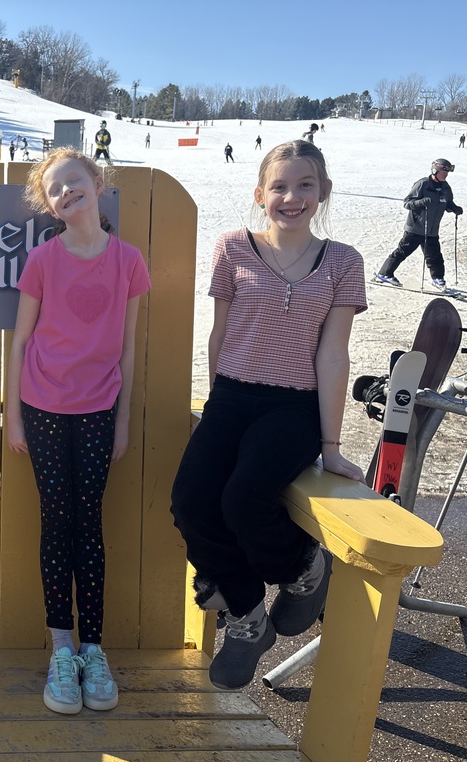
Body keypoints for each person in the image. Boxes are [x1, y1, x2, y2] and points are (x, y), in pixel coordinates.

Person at [170, 139, 367, 690]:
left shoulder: (343, 263)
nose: (291, 197)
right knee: (189, 503)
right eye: (279, 186)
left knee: (244, 500)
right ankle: (248, 616)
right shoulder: (233, 247)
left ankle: (302, 570)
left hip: (293, 407)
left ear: (323, 192)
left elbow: (333, 356)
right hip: (231, 397)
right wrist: (217, 412)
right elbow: (219, 334)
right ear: (260, 194)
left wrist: (330, 446)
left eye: (305, 185)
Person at [7, 148, 151, 715]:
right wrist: (14, 413)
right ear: (47, 204)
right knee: (55, 519)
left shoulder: (129, 262)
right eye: (55, 189)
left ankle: (93, 646)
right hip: (42, 406)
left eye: (75, 181)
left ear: (97, 182)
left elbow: (129, 348)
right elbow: (20, 341)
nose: (67, 192)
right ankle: (60, 646)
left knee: (88, 522)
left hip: (98, 410)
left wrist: (124, 419)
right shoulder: (43, 259)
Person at [374, 158, 463, 290]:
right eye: (444, 172)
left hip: (432, 231)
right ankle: (384, 274)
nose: (446, 175)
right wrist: (420, 202)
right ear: (435, 171)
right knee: (402, 252)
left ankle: (438, 279)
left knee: (435, 257)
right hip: (415, 228)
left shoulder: (445, 187)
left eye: (447, 172)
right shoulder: (422, 184)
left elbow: (447, 203)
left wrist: (454, 208)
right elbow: (407, 203)